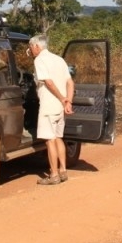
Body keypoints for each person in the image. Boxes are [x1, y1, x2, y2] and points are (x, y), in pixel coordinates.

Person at [29, 34, 74, 185]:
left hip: (49, 106)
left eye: (31, 47)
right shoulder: (59, 59)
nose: (31, 50)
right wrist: (68, 101)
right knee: (58, 138)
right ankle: (63, 171)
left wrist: (62, 98)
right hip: (60, 108)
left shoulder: (40, 60)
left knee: (50, 141)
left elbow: (48, 82)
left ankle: (53, 175)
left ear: (37, 46)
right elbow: (70, 82)